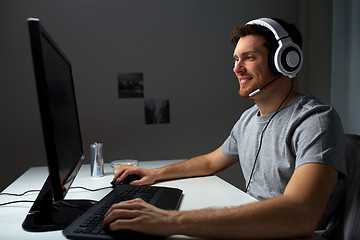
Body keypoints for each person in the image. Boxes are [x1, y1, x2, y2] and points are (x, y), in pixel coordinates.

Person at [102, 18, 346, 239]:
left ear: (285, 60)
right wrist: (156, 174)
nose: (236, 68)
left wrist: (169, 220)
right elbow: (210, 162)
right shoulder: (249, 118)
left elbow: (300, 215)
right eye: (236, 59)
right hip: (255, 228)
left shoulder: (315, 121)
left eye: (248, 58)